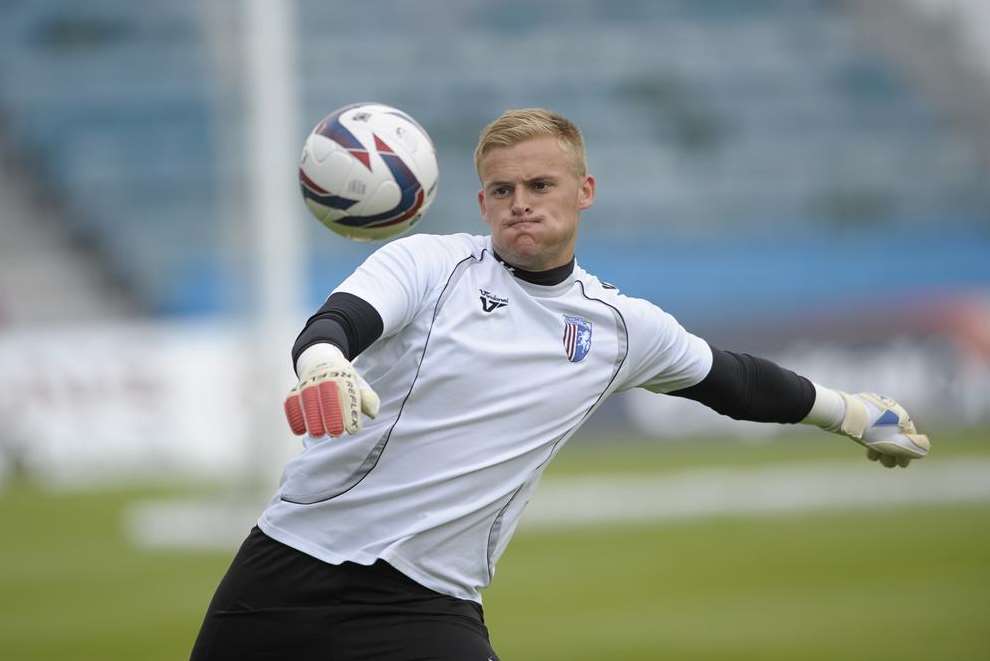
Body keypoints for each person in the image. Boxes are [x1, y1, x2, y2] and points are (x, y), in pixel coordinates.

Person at [190, 108, 930, 660]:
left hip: (427, 604)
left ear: (585, 190)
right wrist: (323, 362)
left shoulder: (618, 327)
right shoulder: (427, 265)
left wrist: (854, 414)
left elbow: (732, 380)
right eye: (502, 189)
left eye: (541, 184)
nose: (521, 201)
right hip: (287, 567)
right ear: (481, 204)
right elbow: (338, 322)